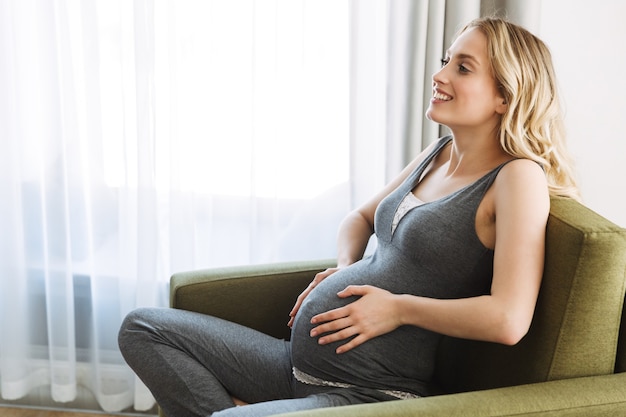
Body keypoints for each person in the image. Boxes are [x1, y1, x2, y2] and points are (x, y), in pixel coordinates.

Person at [118, 17, 579, 417]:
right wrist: (343, 269)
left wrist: (397, 309)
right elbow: (358, 218)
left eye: (463, 67)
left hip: (368, 392)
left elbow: (508, 319)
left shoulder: (517, 179)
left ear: (504, 96)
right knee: (142, 328)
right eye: (445, 60)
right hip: (296, 367)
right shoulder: (439, 153)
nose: (439, 75)